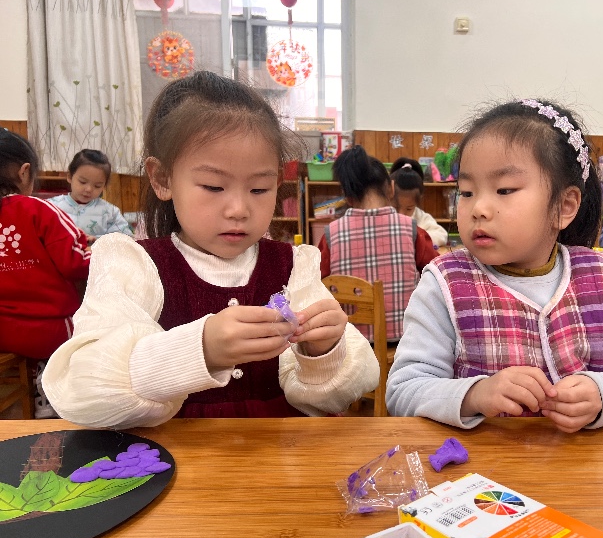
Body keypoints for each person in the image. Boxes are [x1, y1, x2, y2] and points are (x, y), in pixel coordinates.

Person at [42, 71, 379, 429]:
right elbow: (83, 388)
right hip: (176, 455)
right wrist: (199, 350)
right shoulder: (134, 264)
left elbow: (342, 391)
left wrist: (322, 352)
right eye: (214, 187)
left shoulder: (293, 266)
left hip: (280, 451)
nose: (239, 209)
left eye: (259, 189)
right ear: (162, 178)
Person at [386, 99, 603, 432]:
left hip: (582, 462)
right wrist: (475, 394)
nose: (478, 208)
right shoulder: (444, 284)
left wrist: (601, 394)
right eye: (466, 192)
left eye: (504, 189)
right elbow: (403, 391)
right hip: (480, 463)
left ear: (564, 206)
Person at [0, 129, 91, 417]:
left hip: (3, 330)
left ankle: (38, 375)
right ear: (24, 171)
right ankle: (54, 387)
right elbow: (75, 264)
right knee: (90, 328)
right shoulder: (38, 209)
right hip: (49, 330)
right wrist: (96, 250)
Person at [318, 146, 438, 342]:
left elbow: (318, 284)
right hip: (405, 342)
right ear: (391, 188)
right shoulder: (412, 230)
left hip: (352, 344)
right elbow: (436, 274)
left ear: (348, 198)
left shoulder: (331, 235)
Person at [49, 149, 133, 243]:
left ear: (104, 186)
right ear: (69, 177)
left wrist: (98, 240)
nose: (89, 189)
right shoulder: (51, 206)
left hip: (96, 252)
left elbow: (126, 238)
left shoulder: (110, 212)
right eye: (83, 182)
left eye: (97, 186)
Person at [389, 157, 448, 247]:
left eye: (409, 209)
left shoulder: (421, 218)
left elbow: (442, 235)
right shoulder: (383, 215)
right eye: (396, 207)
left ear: (417, 202)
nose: (401, 214)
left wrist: (416, 238)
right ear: (388, 196)